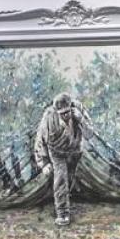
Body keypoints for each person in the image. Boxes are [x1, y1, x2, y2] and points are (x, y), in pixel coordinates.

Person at [34, 92, 86, 226]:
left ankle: (64, 201)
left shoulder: (79, 109)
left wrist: (81, 120)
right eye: (61, 113)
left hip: (74, 151)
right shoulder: (49, 116)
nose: (65, 115)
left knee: (69, 179)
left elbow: (90, 134)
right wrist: (44, 162)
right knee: (60, 179)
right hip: (56, 152)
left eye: (67, 112)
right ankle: (63, 214)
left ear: (71, 107)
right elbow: (40, 140)